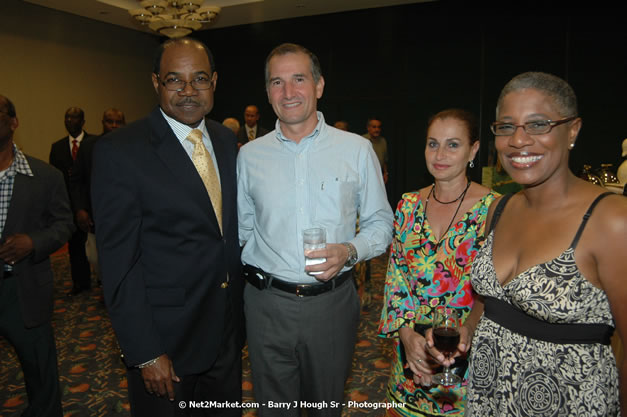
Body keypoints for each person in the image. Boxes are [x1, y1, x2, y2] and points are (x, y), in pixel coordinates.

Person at [430, 72, 627, 416]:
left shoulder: (611, 219)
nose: (518, 140)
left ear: (573, 130)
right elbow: (489, 304)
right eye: (506, 127)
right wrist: (466, 331)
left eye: (538, 125)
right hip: (486, 398)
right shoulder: (499, 208)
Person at [237, 43, 394, 417]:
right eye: (277, 82)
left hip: (332, 305)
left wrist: (349, 251)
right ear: (267, 91)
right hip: (266, 306)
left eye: (298, 79)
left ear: (319, 86)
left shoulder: (356, 150)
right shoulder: (249, 156)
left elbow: (382, 223)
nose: (288, 93)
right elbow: (244, 229)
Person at [91, 37, 243, 416]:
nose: (188, 91)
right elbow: (119, 265)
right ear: (156, 82)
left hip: (225, 336)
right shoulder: (120, 151)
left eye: (200, 79)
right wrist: (144, 353)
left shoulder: (226, 141)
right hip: (166, 345)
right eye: (175, 80)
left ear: (215, 82)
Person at [378, 109, 497, 416]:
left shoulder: (494, 210)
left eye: (453, 144)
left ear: (473, 150)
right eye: (433, 144)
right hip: (411, 356)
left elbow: (495, 289)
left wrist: (468, 328)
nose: (440, 154)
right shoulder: (407, 204)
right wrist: (406, 336)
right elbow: (396, 279)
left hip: (465, 357)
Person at [0, 94, 74, 417]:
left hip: (23, 287)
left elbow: (65, 224)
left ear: (14, 122)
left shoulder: (45, 177)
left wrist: (33, 241)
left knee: (40, 372)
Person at [70, 108, 126, 272]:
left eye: (118, 122)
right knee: (97, 258)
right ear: (102, 123)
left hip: (126, 215)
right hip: (96, 215)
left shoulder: (133, 146)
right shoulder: (88, 146)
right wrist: (80, 208)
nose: (114, 126)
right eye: (110, 121)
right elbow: (76, 180)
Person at [49, 107, 93, 296]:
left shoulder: (94, 143)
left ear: (83, 122)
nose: (69, 120)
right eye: (66, 117)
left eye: (74, 117)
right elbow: (54, 179)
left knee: (96, 247)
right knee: (75, 247)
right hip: (69, 205)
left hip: (92, 203)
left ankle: (102, 280)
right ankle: (80, 282)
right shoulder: (57, 147)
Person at [363, 117, 389, 183]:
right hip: (365, 176)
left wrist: (385, 173)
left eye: (379, 127)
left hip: (379, 176)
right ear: (368, 128)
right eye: (374, 127)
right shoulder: (362, 140)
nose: (377, 129)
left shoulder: (383, 141)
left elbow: (385, 160)